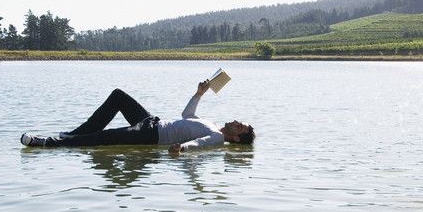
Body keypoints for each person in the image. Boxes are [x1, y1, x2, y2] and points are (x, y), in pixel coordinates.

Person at [20, 81, 254, 153]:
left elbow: (198, 144)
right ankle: (74, 135)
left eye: (239, 126)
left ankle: (46, 143)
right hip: (152, 122)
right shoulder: (212, 123)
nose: (235, 121)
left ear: (235, 139)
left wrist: (182, 149)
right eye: (239, 121)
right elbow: (187, 115)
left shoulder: (216, 138)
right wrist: (199, 93)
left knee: (103, 138)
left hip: (151, 135)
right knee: (118, 96)